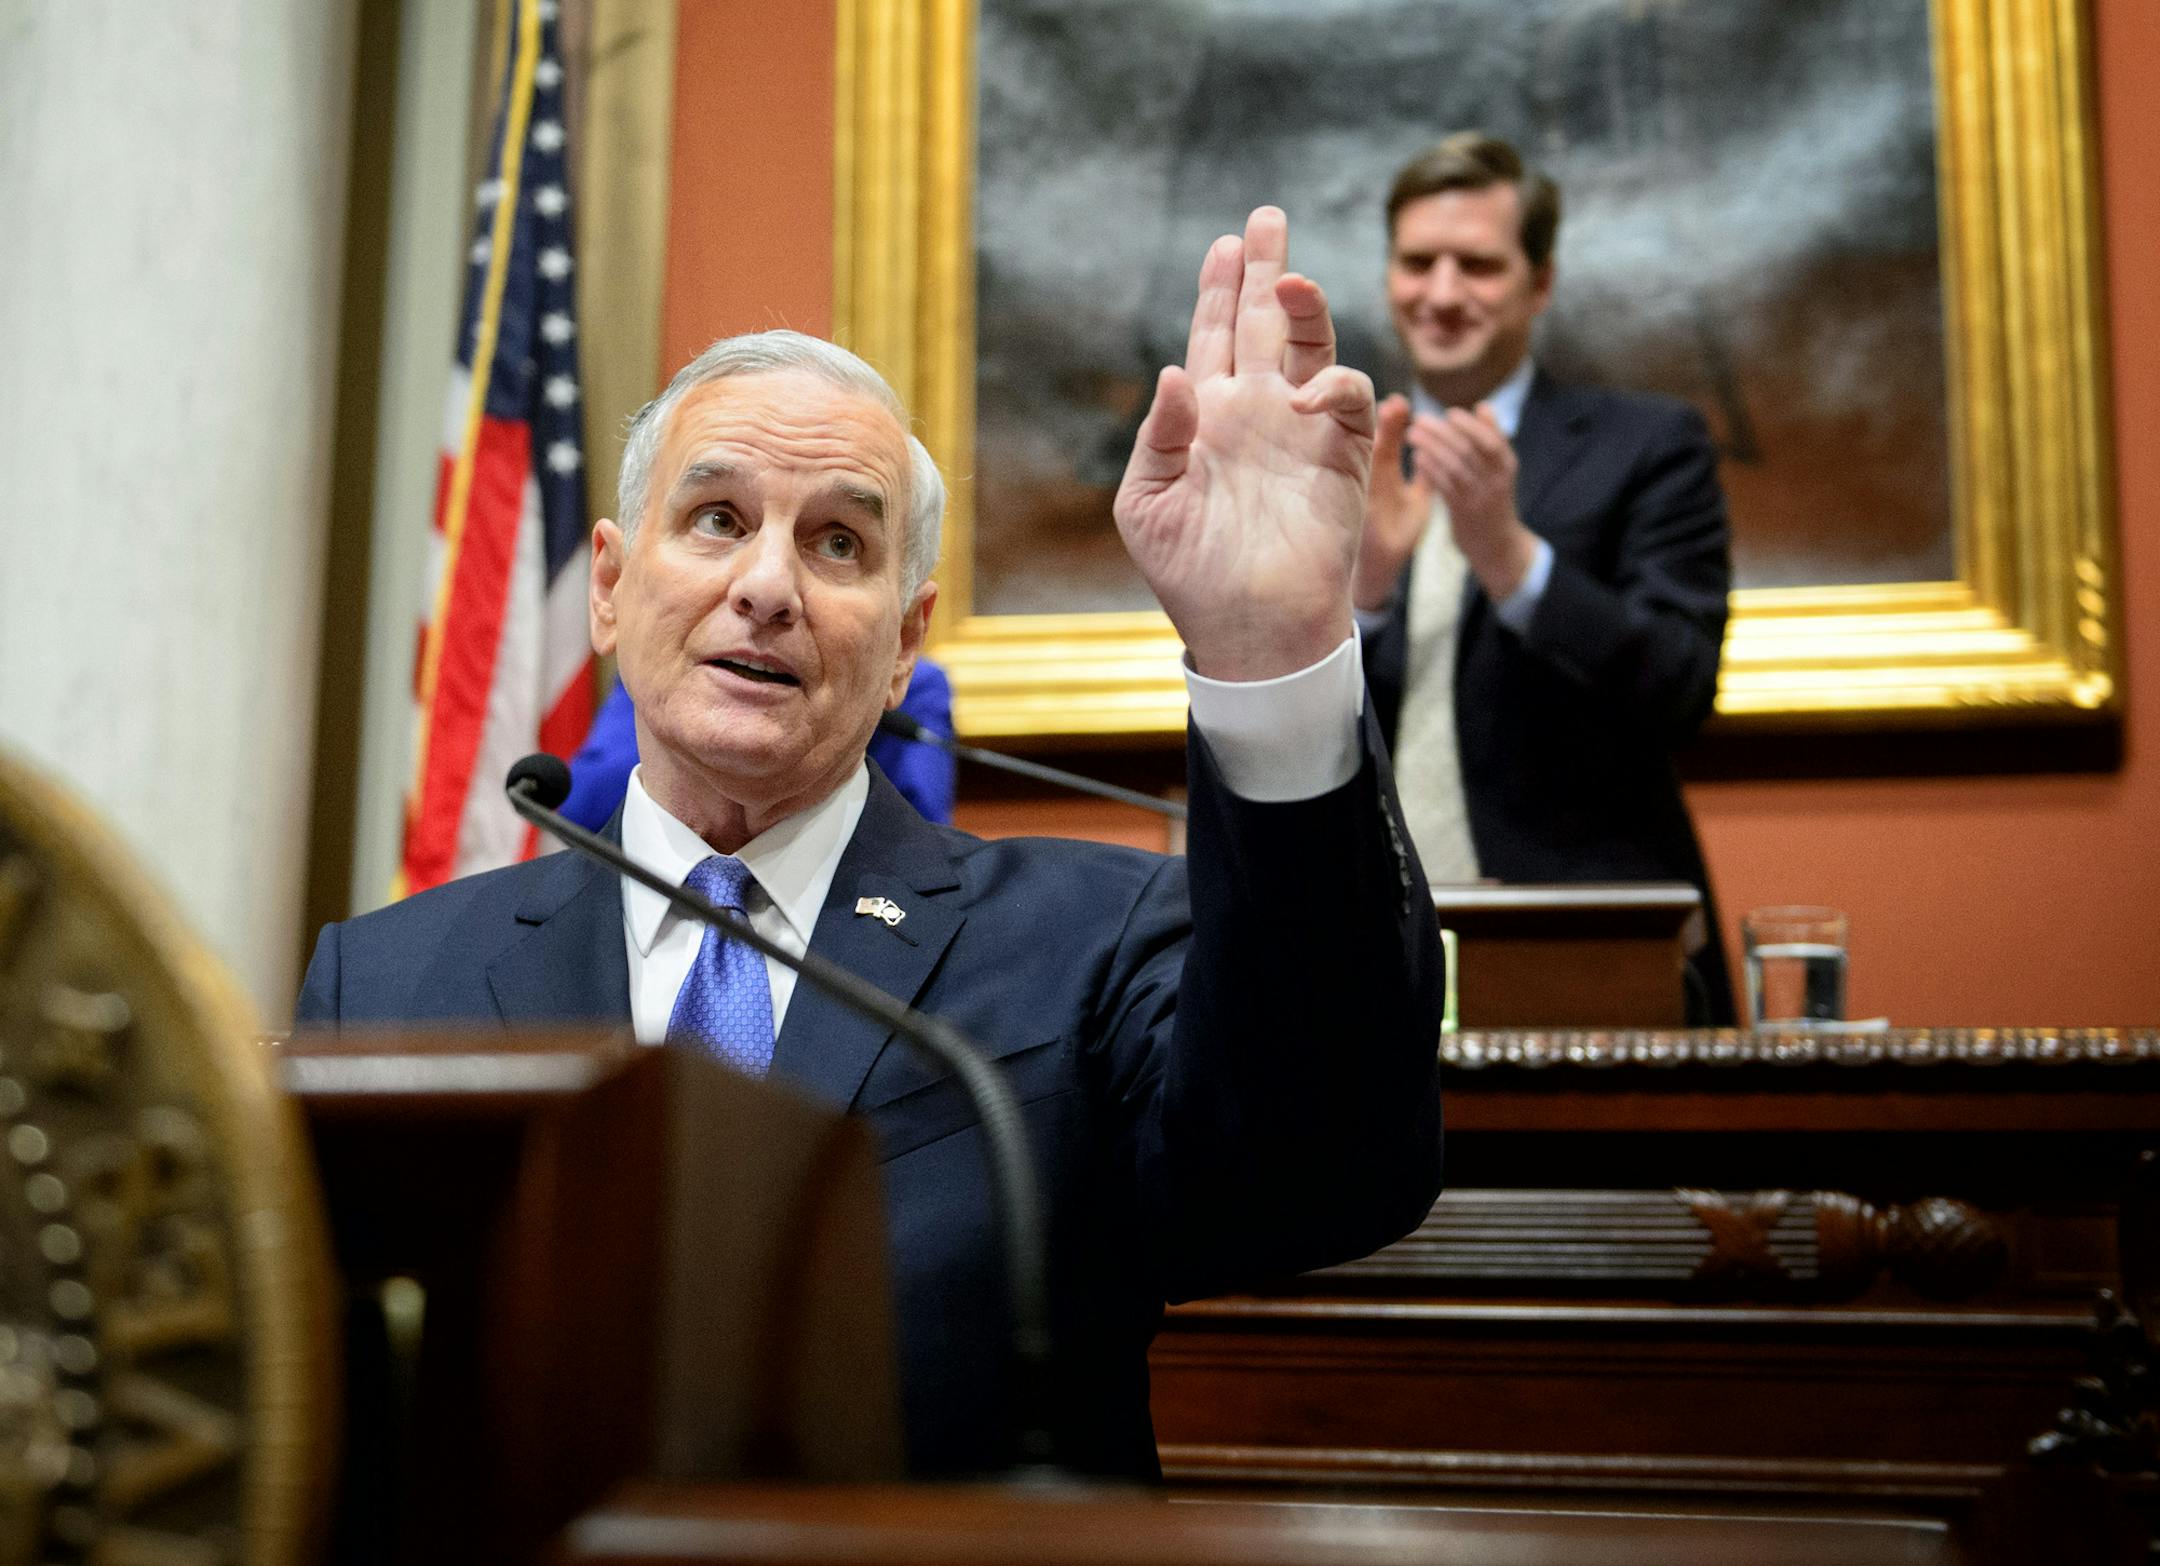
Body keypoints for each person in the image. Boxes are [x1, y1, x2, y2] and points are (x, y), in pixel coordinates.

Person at [298, 208, 1446, 1479]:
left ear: (906, 641)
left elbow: (1325, 1172)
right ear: (614, 585)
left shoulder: (1089, 947)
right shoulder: (390, 986)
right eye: (718, 519)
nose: (769, 586)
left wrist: (1270, 654)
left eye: (838, 542)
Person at [1356, 132, 1736, 1021]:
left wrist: (1512, 561)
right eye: (1418, 262)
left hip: (1592, 954)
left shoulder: (1648, 444)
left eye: (1478, 265)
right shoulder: (1347, 454)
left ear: (1539, 283)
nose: (1442, 294)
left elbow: (1682, 685)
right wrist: (1365, 595)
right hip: (1367, 951)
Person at [559, 659, 958, 829]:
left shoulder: (916, 690)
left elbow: (922, 825)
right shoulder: (666, 679)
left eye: (838, 546)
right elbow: (581, 805)